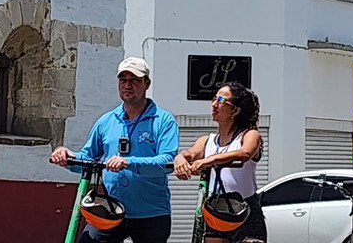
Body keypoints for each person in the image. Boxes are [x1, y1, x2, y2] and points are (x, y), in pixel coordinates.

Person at [51, 57, 180, 243]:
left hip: (151, 213)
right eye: (123, 80)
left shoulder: (164, 120)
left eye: (134, 80)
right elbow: (87, 160)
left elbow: (167, 163)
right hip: (110, 209)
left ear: (147, 84)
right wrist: (67, 157)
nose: (128, 85)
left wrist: (128, 162)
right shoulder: (106, 121)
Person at [173, 82, 267, 243]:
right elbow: (189, 154)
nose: (215, 104)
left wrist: (209, 160)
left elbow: (245, 153)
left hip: (245, 209)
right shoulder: (207, 140)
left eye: (221, 100)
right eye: (214, 99)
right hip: (216, 209)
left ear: (235, 110)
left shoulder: (249, 135)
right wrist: (179, 159)